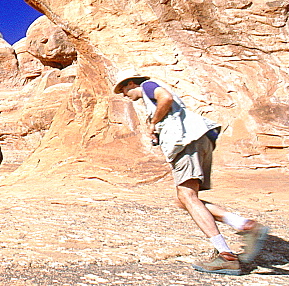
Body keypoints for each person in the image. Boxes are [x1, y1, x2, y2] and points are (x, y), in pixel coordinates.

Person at [113, 72, 269, 275]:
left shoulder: (149, 86)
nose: (124, 95)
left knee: (187, 196)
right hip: (198, 140)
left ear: (131, 83)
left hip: (187, 142)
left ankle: (226, 255)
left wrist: (153, 124)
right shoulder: (150, 101)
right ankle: (243, 225)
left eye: (123, 89)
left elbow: (166, 98)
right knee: (184, 200)